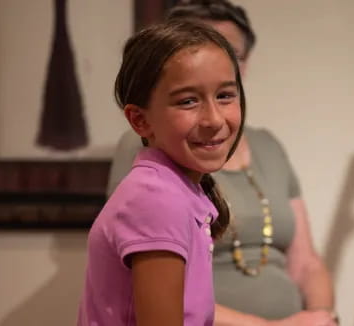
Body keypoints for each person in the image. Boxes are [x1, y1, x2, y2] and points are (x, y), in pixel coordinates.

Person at [107, 1, 337, 325]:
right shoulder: (153, 179)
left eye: (226, 53)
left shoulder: (267, 145)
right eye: (188, 99)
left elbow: (307, 261)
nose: (213, 118)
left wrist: (322, 317)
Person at [78, 19, 245, 325]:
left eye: (224, 96)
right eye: (188, 101)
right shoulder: (157, 200)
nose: (214, 119)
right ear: (140, 121)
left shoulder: (176, 189)